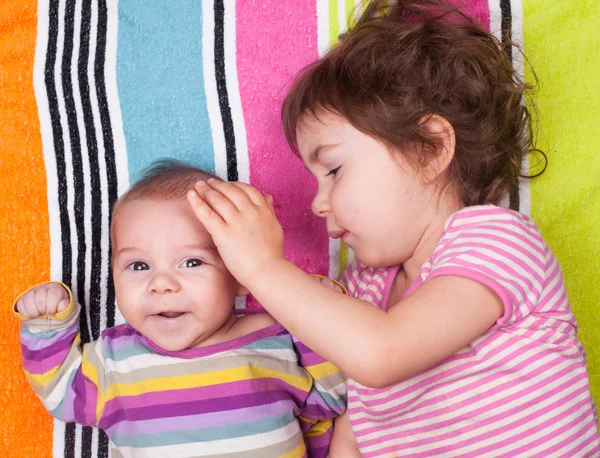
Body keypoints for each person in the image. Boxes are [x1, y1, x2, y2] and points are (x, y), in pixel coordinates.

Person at [185, 1, 600, 456]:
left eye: (335, 170)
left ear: (429, 150)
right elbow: (356, 424)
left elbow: (381, 355)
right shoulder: (363, 289)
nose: (318, 203)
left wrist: (264, 268)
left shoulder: (497, 241)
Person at [14, 160, 347, 457]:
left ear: (241, 272)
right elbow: (62, 393)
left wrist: (319, 309)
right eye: (139, 266)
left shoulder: (277, 335)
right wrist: (47, 324)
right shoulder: (116, 361)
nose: (161, 284)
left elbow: (332, 398)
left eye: (191, 262)